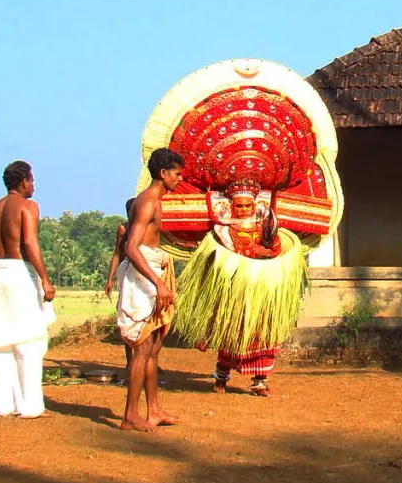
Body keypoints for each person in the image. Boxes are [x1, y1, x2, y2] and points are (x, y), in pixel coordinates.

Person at [0, 160, 57, 417]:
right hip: (19, 271)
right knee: (28, 338)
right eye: (32, 180)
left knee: (1, 341)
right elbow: (30, 242)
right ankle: (30, 406)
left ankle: (3, 404)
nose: (33, 185)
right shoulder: (27, 206)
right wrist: (44, 278)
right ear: (23, 182)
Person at [116, 148, 182, 431]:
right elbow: (131, 247)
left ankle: (153, 409)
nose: (180, 179)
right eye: (177, 174)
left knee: (153, 347)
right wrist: (158, 283)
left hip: (152, 270)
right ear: (163, 173)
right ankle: (130, 415)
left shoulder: (156, 201)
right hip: (144, 276)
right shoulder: (147, 203)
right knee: (142, 348)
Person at [198, 178, 283, 396]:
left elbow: (275, 250)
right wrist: (250, 252)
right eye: (239, 205)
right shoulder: (223, 231)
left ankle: (260, 382)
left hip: (260, 286)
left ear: (255, 204)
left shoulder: (263, 225)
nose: (244, 209)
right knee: (231, 331)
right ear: (231, 206)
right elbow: (223, 256)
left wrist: (269, 242)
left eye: (248, 205)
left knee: (262, 331)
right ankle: (221, 376)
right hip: (235, 287)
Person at [105, 198, 136, 369]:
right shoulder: (123, 229)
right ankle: (130, 361)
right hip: (126, 275)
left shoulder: (146, 227)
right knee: (126, 314)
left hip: (142, 275)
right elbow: (117, 253)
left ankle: (146, 359)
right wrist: (110, 279)